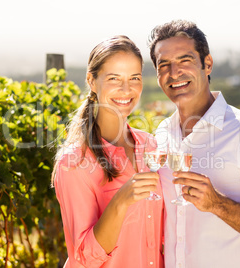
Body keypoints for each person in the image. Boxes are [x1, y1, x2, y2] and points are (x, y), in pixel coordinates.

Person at [148, 20, 240, 267]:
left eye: (185, 60)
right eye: (164, 65)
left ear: (208, 64)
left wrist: (218, 204)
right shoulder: (162, 134)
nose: (174, 73)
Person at [52, 35, 164, 267]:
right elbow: (83, 257)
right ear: (92, 82)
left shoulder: (151, 146)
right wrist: (119, 203)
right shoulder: (74, 162)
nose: (127, 89)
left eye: (135, 77)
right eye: (114, 78)